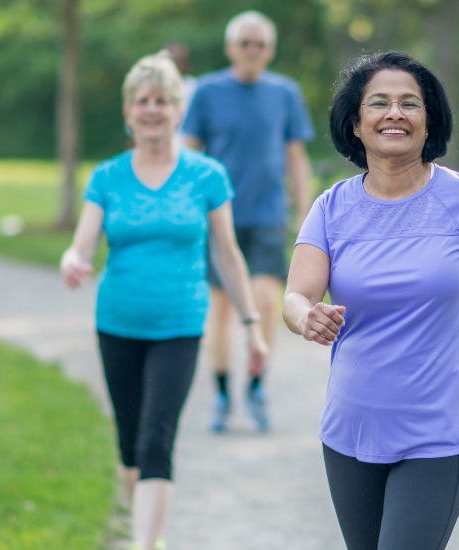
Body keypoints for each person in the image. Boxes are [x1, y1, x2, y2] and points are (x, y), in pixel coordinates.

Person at [283, 51, 459, 550]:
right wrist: (305, 317)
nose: (394, 113)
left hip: (439, 428)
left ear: (430, 123)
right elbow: (297, 295)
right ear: (356, 125)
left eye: (410, 103)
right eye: (378, 103)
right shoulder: (331, 207)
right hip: (350, 430)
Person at [60, 53, 268, 550]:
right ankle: (143, 531)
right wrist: (72, 259)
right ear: (128, 111)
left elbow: (227, 253)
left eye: (162, 101)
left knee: (157, 439)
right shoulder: (107, 177)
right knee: (130, 446)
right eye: (142, 101)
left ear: (177, 110)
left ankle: (144, 544)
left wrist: (252, 325)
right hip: (117, 322)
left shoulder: (207, 175)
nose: (152, 110)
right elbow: (83, 242)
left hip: (179, 323)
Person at [182, 10, 315, 432]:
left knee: (264, 301)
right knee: (221, 307)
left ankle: (257, 382)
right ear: (230, 48)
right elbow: (188, 153)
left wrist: (306, 213)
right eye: (245, 43)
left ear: (270, 50)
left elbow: (296, 157)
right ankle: (221, 392)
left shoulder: (285, 93)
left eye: (260, 44)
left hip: (268, 215)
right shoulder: (206, 92)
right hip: (218, 218)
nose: (252, 50)